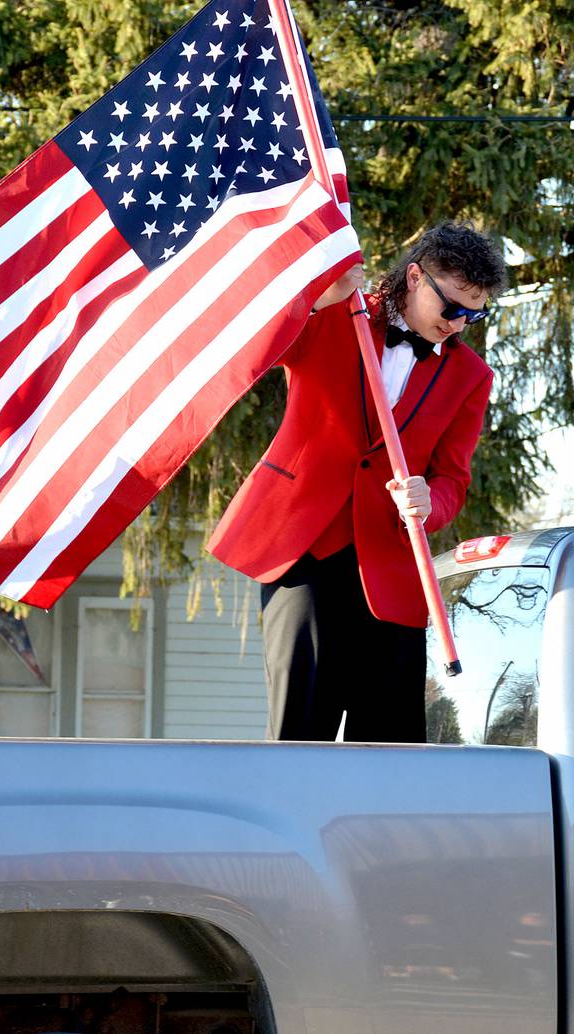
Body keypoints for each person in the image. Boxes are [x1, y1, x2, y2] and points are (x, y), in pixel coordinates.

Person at [207, 222, 506, 743]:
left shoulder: (472, 377)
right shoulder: (335, 312)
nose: (459, 325)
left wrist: (428, 500)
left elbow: (453, 480)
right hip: (303, 549)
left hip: (391, 568)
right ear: (415, 277)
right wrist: (314, 296)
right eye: (452, 308)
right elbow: (255, 344)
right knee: (301, 734)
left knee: (391, 749)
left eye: (474, 314)